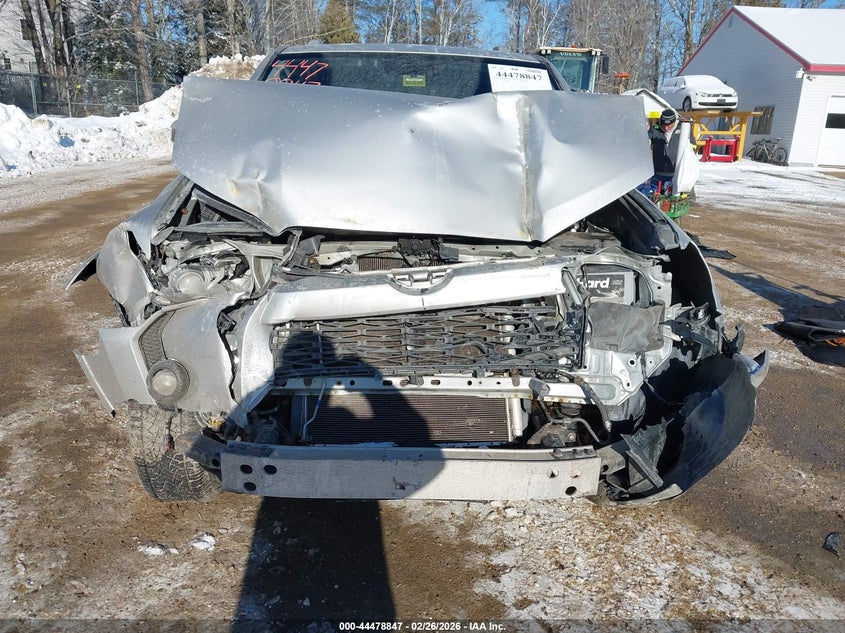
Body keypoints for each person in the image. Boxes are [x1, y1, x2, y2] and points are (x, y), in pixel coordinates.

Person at [648, 109, 683, 191]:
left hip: (676, 173)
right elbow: (646, 141)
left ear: (674, 122)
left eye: (669, 126)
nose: (666, 128)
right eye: (663, 125)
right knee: (654, 195)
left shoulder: (682, 130)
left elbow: (692, 144)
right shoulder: (654, 129)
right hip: (657, 173)